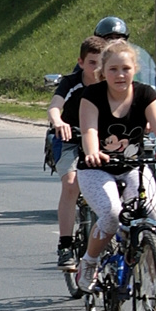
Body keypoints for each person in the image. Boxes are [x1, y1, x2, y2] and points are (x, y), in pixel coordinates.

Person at [75, 40, 156, 295]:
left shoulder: (146, 95)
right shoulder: (92, 95)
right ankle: (89, 262)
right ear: (103, 71)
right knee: (111, 214)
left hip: (134, 167)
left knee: (153, 222)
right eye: (113, 69)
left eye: (125, 68)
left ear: (134, 70)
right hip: (96, 169)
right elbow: (89, 129)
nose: (119, 75)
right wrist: (93, 153)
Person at [47, 36, 104, 268]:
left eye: (102, 63)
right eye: (92, 63)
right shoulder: (71, 82)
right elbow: (54, 106)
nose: (97, 69)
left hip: (103, 140)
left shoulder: (110, 83)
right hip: (69, 138)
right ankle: (65, 245)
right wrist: (58, 122)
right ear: (81, 62)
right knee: (71, 183)